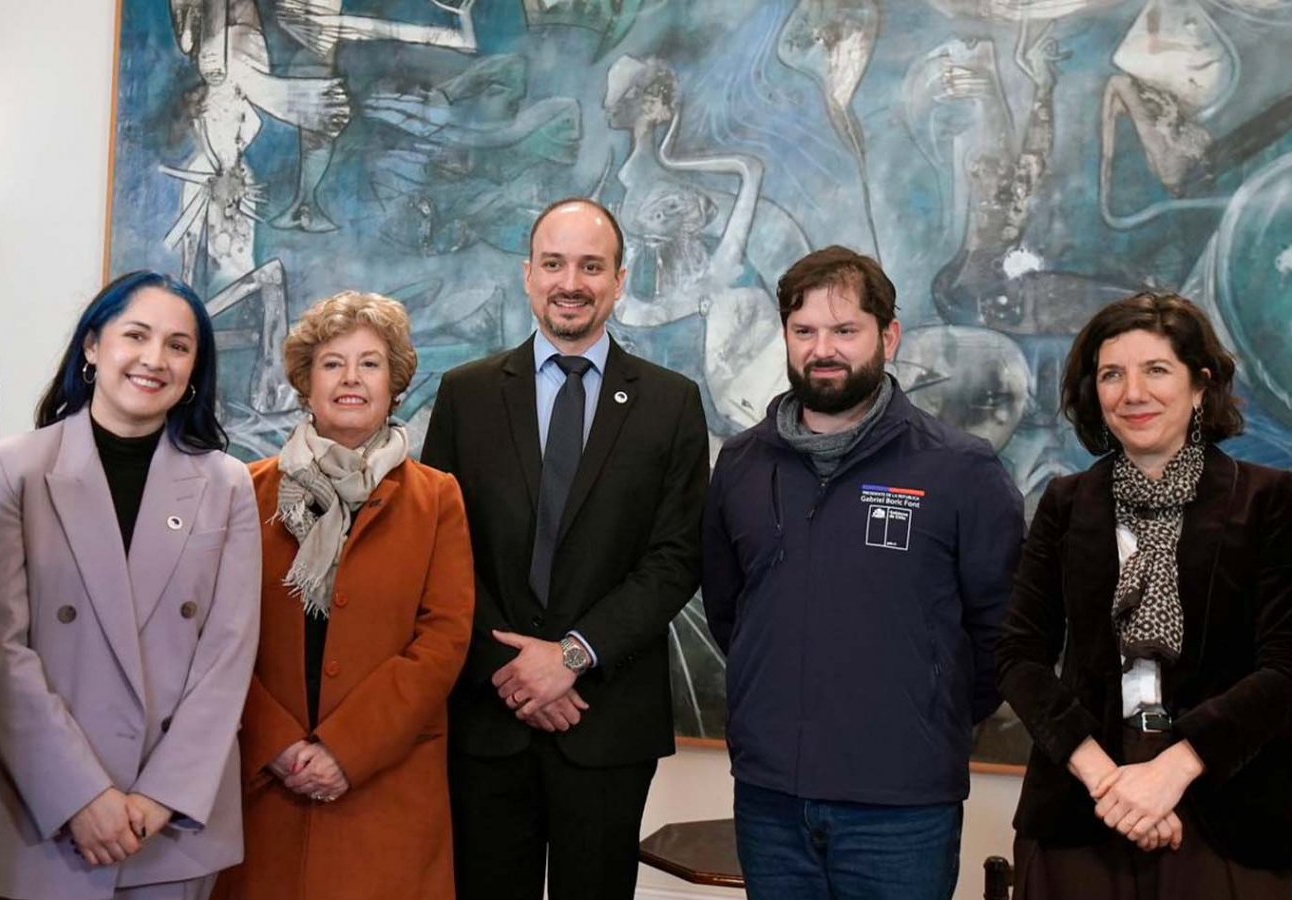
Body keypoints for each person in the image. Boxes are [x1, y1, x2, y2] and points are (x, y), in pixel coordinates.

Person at [702, 245, 1024, 900]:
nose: (824, 349)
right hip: (771, 800)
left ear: (888, 335)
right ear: (786, 338)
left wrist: (924, 712)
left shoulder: (961, 470)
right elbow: (731, 612)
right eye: (805, 331)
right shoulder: (739, 465)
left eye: (845, 330)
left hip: (901, 806)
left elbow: (1002, 631)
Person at [421, 198, 709, 900]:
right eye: (554, 264)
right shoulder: (468, 395)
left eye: (590, 266)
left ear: (619, 280)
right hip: (490, 717)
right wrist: (517, 671)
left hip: (606, 719)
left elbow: (675, 558)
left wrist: (571, 657)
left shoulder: (672, 403)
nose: (570, 282)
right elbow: (442, 550)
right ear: (528, 275)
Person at [0, 271, 261, 900]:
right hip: (37, 810)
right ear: (93, 347)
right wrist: (79, 795)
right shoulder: (18, 467)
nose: (155, 359)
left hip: (169, 826)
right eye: (137, 335)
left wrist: (160, 795)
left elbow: (227, 657)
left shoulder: (228, 483)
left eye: (179, 346)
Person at [997, 291, 1292, 898]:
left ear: (1200, 386)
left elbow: (1285, 667)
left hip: (1224, 817)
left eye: (1156, 370)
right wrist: (1110, 783)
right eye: (1112, 374)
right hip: (1084, 813)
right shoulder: (1065, 503)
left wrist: (1170, 773)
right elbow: (1019, 655)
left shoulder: (1270, 502)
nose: (1133, 393)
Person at [215, 291, 474, 900]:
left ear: (396, 383)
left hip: (386, 786)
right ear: (307, 383)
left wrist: (345, 749)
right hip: (263, 787)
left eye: (370, 363)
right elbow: (214, 639)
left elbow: (444, 638)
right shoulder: (242, 491)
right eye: (333, 363)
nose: (351, 379)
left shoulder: (437, 499)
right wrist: (274, 744)